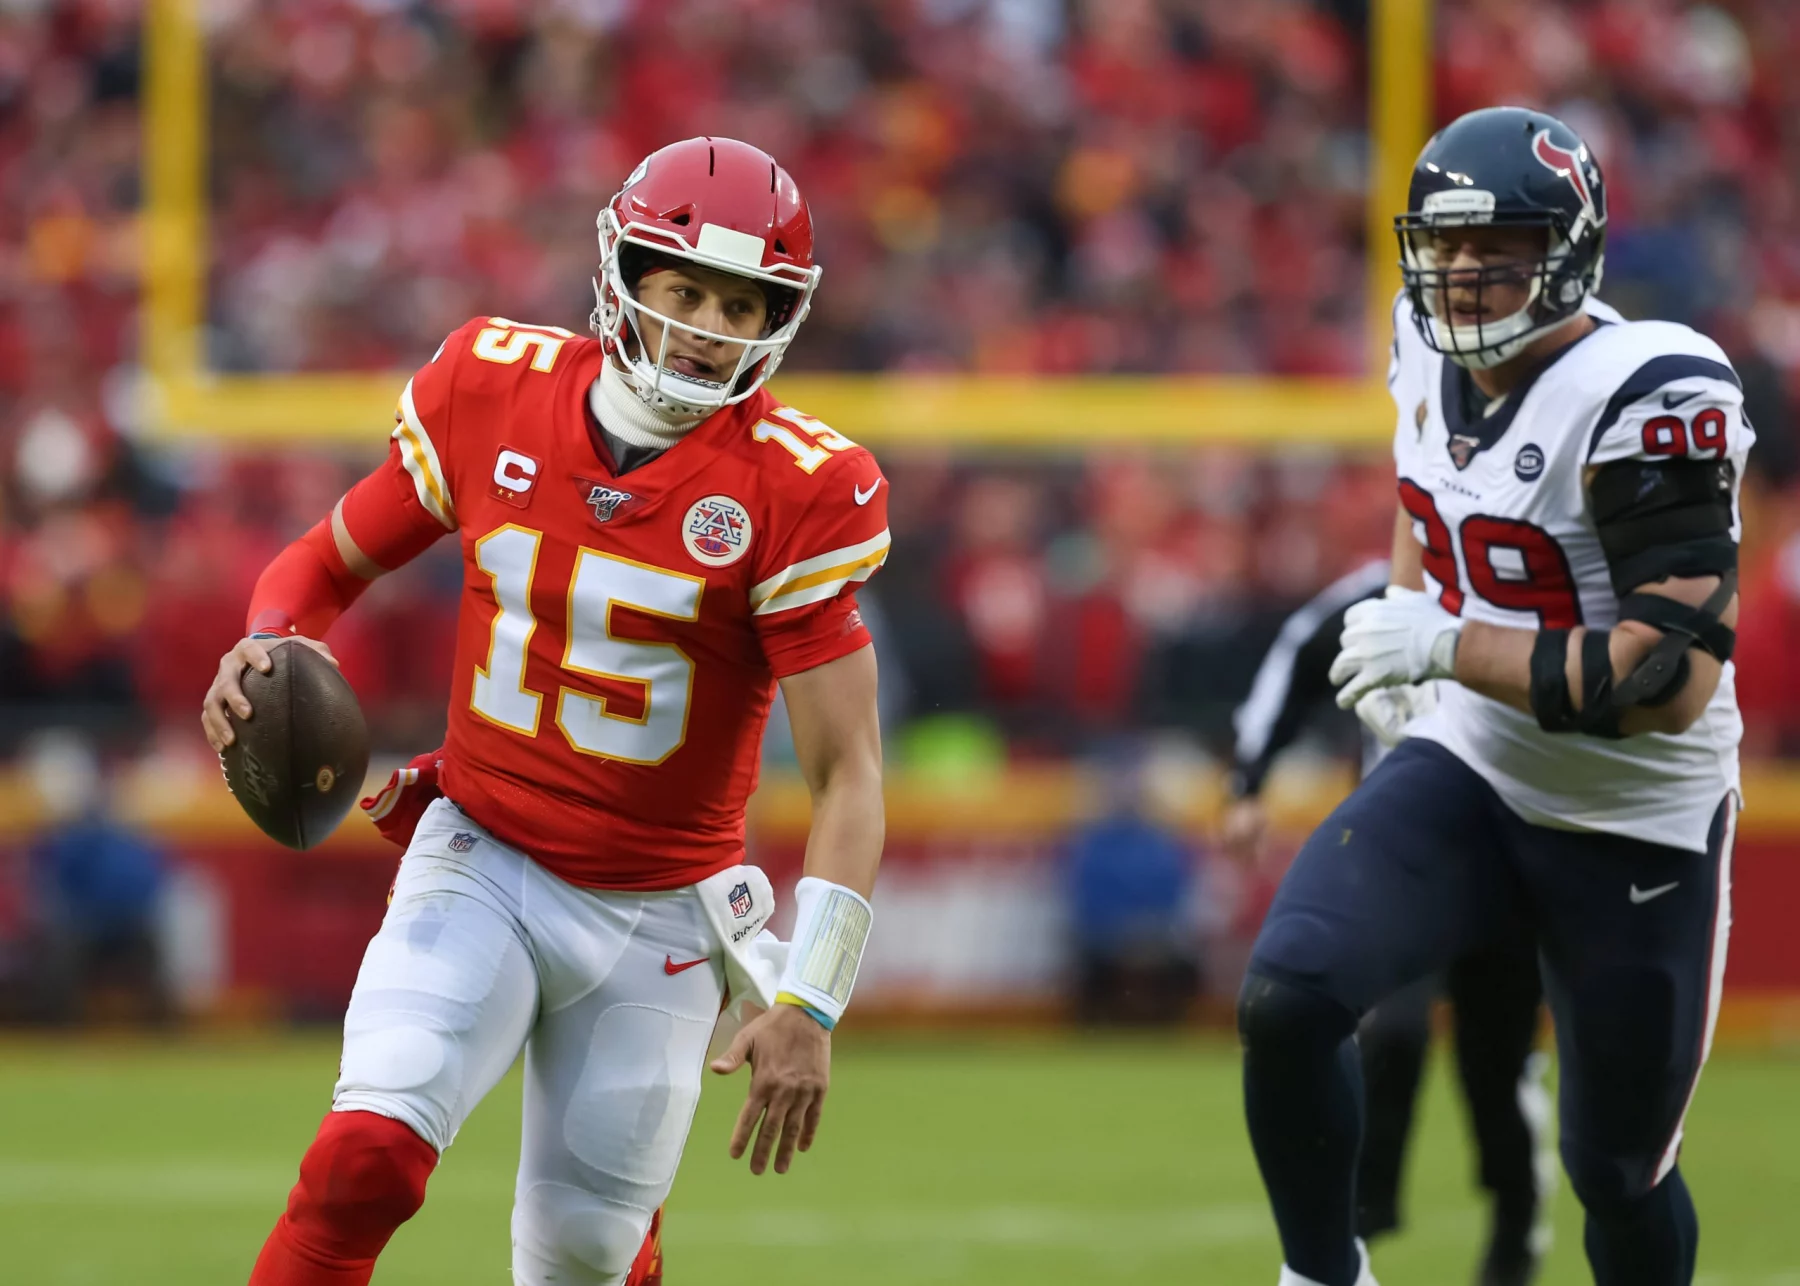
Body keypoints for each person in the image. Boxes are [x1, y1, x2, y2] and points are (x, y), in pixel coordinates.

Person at [201, 137, 890, 1286]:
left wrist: (812, 996)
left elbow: (851, 774)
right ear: (623, 274)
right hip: (487, 851)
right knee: (364, 1154)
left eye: (741, 302)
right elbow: (324, 562)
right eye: (685, 289)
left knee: (582, 1254)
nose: (711, 325)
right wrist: (269, 636)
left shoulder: (801, 485)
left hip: (663, 916)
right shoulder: (491, 386)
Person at [1238, 106, 1747, 1286]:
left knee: (1617, 1173)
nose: (1465, 275)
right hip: (1475, 764)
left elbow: (1667, 677)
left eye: (1500, 246)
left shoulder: (1647, 386)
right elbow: (1434, 501)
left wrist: (1445, 642)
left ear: (1570, 248)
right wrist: (1402, 645)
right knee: (1293, 991)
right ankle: (1325, 1275)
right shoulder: (1421, 346)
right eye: (1448, 248)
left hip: (1636, 812)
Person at [1223, 560, 1551, 1286]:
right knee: (1385, 1028)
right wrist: (1250, 777)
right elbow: (1297, 654)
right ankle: (1351, 1234)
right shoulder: (1380, 589)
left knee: (1495, 1063)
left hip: (1514, 847)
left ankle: (1515, 1223)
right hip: (1406, 860)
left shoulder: (1533, 576)